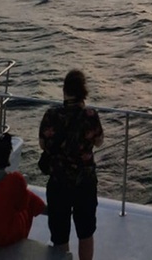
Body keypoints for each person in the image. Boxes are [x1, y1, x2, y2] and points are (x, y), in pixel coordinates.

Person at [39, 69, 104, 260]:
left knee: (60, 234)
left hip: (58, 181)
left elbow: (43, 144)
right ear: (83, 91)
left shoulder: (51, 115)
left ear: (65, 90)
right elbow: (99, 141)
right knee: (85, 232)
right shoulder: (90, 115)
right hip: (84, 181)